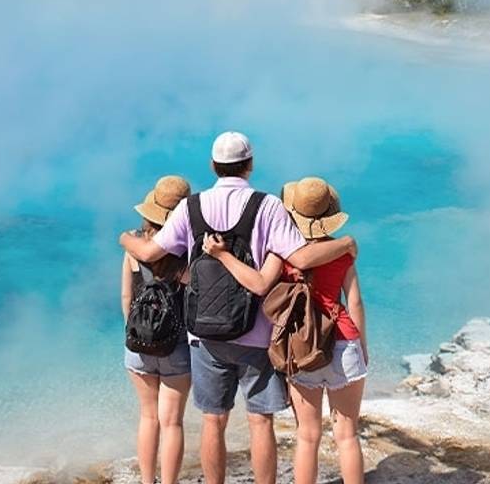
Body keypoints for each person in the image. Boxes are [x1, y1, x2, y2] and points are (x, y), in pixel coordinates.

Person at [119, 132, 357, 484]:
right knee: (260, 421)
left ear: (213, 166)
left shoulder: (190, 206)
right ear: (250, 165)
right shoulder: (268, 206)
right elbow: (300, 257)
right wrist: (347, 244)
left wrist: (125, 238)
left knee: (214, 421)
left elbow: (152, 253)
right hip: (256, 332)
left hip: (203, 334)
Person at [203, 177, 368, 484]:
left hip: (299, 347)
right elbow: (355, 302)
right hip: (344, 340)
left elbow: (260, 285)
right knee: (346, 435)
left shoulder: (281, 254)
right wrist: (364, 348)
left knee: (307, 436)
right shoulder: (343, 252)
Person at [122, 175, 193, 484]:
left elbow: (127, 296)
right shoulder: (187, 248)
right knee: (172, 422)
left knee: (148, 417)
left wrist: (136, 333)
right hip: (176, 345)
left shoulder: (135, 247)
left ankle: (147, 480)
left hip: (137, 345)